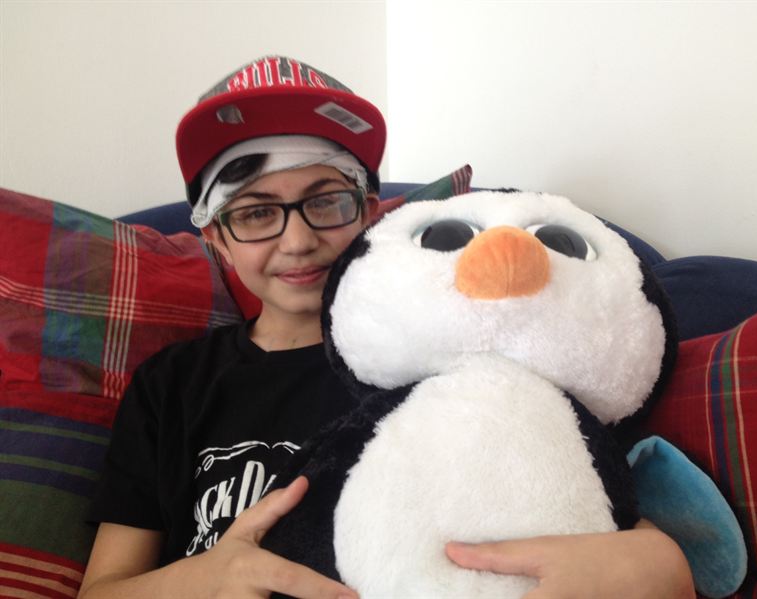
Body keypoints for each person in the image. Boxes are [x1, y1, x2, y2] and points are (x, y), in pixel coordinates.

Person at [78, 55, 693, 599]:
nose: (298, 240)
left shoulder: (450, 353)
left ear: (370, 214)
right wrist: (202, 580)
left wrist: (658, 562)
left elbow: (579, 482)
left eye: (325, 201)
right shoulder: (173, 385)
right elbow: (104, 588)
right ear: (216, 238)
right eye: (257, 213)